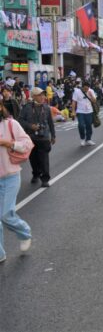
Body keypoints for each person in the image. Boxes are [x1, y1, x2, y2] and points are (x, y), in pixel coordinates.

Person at [0, 100, 34, 263]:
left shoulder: (11, 124)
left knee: (6, 215)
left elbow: (27, 144)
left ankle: (24, 232)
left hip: (10, 177)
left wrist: (9, 143)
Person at [18, 87, 56, 188]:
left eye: (43, 95)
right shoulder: (26, 107)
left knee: (44, 159)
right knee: (33, 159)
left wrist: (53, 135)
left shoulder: (47, 107)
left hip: (44, 137)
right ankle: (35, 174)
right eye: (40, 95)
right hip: (30, 137)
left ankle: (45, 179)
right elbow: (20, 121)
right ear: (33, 96)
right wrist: (31, 126)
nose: (42, 97)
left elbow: (51, 123)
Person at [71, 81, 97, 146]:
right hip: (80, 111)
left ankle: (88, 139)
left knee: (89, 126)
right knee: (81, 125)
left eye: (87, 89)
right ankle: (82, 138)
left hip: (89, 111)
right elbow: (74, 102)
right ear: (82, 87)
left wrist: (91, 95)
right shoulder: (77, 92)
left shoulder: (91, 91)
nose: (86, 90)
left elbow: (94, 101)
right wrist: (73, 111)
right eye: (85, 89)